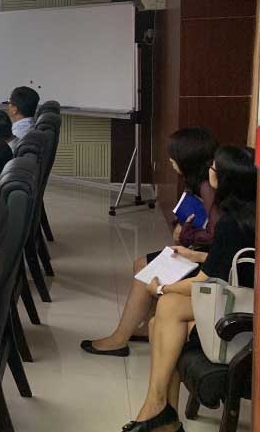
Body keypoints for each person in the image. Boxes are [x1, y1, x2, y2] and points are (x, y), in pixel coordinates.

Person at [122, 145, 256, 432]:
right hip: (241, 296)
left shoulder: (230, 223)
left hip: (238, 315)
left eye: (214, 168)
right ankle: (161, 412)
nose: (210, 171)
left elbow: (205, 282)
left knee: (166, 307)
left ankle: (158, 409)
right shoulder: (249, 214)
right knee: (161, 318)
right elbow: (227, 262)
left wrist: (160, 288)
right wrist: (197, 255)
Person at [81, 127, 220, 356]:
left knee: (146, 269)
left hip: (208, 259)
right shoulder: (198, 179)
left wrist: (187, 233)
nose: (170, 160)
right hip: (200, 249)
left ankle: (119, 340)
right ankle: (145, 326)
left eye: (173, 155)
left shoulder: (207, 186)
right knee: (141, 264)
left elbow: (215, 233)